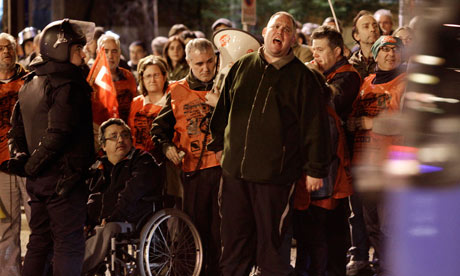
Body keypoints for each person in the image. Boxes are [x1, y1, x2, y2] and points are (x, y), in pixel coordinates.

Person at [208, 11, 332, 276]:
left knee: (270, 249)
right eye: (276, 27)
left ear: (293, 40)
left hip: (274, 176)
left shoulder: (303, 78)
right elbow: (223, 109)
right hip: (234, 174)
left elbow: (315, 127)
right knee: (233, 242)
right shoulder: (242, 66)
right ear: (265, 32)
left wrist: (315, 169)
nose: (280, 32)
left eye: (287, 30)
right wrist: (218, 145)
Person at [8, 19, 95, 276]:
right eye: (77, 48)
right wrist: (33, 165)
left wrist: (28, 165)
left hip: (42, 182)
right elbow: (59, 132)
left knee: (39, 243)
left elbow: (17, 130)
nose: (83, 53)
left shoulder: (31, 80)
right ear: (60, 49)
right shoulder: (68, 83)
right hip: (64, 182)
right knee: (68, 245)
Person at [292, 26, 358, 276]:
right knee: (314, 241)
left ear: (339, 51)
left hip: (332, 177)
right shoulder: (322, 75)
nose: (315, 55)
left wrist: (314, 77)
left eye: (320, 50)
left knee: (329, 240)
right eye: (313, 50)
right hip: (322, 179)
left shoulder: (347, 76)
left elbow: (333, 101)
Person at [151, 38, 221, 276]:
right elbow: (158, 129)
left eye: (210, 61)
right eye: (199, 63)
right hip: (193, 172)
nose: (206, 68)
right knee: (195, 229)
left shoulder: (225, 85)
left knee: (220, 229)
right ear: (189, 62)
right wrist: (166, 146)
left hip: (223, 170)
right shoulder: (177, 90)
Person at [347, 36, 406, 276]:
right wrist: (352, 123)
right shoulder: (365, 82)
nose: (391, 54)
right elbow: (353, 117)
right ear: (374, 54)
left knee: (390, 224)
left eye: (395, 50)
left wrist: (368, 122)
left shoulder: (407, 83)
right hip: (364, 164)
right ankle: (382, 264)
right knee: (371, 225)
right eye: (385, 49)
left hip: (391, 166)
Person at [82, 118, 162, 274]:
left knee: (108, 228)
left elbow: (130, 195)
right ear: (103, 145)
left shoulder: (142, 160)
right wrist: (84, 220)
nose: (120, 140)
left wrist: (112, 217)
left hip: (131, 218)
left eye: (125, 135)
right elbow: (86, 195)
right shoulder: (98, 167)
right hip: (99, 221)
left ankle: (74, 268)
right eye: (113, 136)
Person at [0, 32, 30, 276]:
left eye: (9, 47)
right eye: (0, 48)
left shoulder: (30, 80)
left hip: (29, 164)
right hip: (0, 169)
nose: (5, 52)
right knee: (4, 228)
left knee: (39, 222)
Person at [97, 34, 137, 123]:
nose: (110, 56)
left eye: (114, 51)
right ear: (98, 53)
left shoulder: (128, 76)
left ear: (119, 53)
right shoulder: (92, 79)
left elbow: (135, 105)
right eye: (105, 51)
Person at [349, 11, 381, 84]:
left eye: (375, 26)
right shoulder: (351, 65)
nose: (372, 29)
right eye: (366, 26)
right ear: (356, 36)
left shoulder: (388, 59)